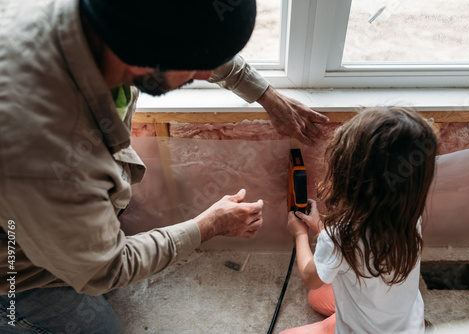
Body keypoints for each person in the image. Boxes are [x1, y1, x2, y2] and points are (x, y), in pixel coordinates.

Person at [0, 0, 328, 332]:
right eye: (196, 65)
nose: (204, 75)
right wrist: (207, 226)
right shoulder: (43, 151)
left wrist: (267, 96)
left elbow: (188, 37)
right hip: (16, 270)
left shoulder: (104, 22)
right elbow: (107, 268)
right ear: (145, 50)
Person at [282, 106, 437, 333]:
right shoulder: (409, 217)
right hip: (404, 323)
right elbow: (355, 246)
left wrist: (300, 234)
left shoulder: (340, 236)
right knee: (318, 297)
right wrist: (322, 228)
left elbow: (309, 275)